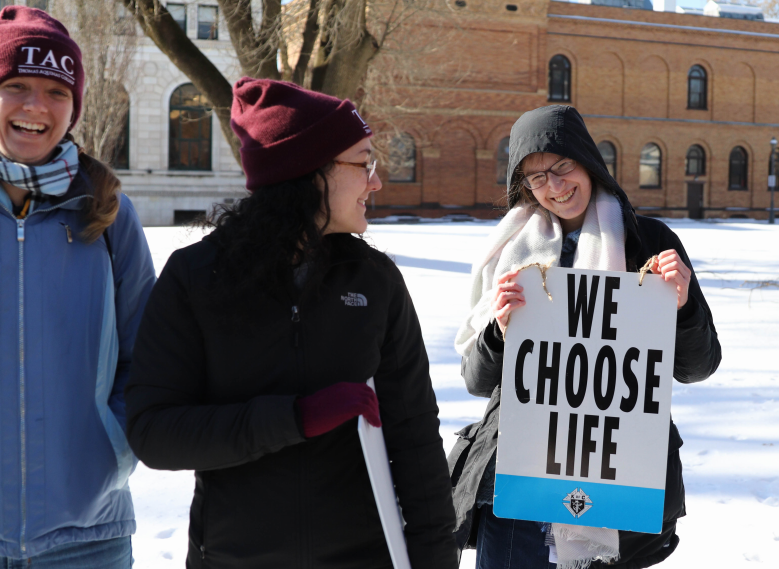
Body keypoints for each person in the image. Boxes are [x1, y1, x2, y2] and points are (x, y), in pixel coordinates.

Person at [124, 78, 458, 569]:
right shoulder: (196, 278)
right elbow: (155, 433)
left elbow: (414, 434)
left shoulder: (375, 280)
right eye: (363, 163)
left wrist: (435, 558)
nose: (376, 180)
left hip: (364, 557)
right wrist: (294, 418)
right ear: (310, 171)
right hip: (232, 558)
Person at [449, 105, 722, 569]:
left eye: (562, 167)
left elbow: (698, 365)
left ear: (587, 161)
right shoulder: (508, 254)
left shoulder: (647, 242)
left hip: (616, 471)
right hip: (518, 476)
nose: (554, 186)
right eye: (536, 178)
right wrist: (498, 332)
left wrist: (683, 305)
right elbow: (476, 380)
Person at [0, 6, 156, 567]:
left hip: (88, 537)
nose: (35, 106)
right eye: (14, 85)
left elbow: (149, 355)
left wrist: (110, 449)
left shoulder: (109, 216)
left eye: (55, 90)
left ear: (75, 108)